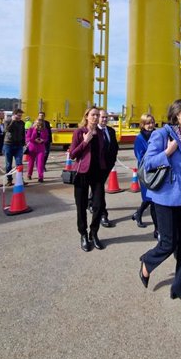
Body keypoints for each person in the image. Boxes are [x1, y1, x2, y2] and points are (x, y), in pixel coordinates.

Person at [139, 99, 181, 309]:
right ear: (176, 113)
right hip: (165, 199)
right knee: (167, 244)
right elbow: (148, 162)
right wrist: (167, 152)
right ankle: (147, 261)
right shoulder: (162, 134)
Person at [69, 106, 108, 252]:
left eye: (98, 115)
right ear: (86, 116)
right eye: (93, 115)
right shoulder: (79, 132)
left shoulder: (100, 133)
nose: (96, 117)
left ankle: (94, 233)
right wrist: (85, 141)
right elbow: (73, 154)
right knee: (81, 206)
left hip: (97, 173)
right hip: (82, 173)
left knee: (98, 205)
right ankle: (83, 234)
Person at [131, 113, 159, 238]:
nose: (150, 125)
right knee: (151, 200)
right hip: (146, 172)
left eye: (152, 122)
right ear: (142, 124)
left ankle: (138, 214)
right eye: (147, 123)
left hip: (159, 171)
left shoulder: (158, 135)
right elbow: (140, 156)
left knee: (152, 199)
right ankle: (157, 229)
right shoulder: (140, 138)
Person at [95, 109, 118, 228]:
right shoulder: (93, 131)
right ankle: (103, 215)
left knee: (97, 191)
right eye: (102, 117)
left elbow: (115, 147)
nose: (104, 119)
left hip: (107, 166)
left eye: (106, 117)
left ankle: (92, 201)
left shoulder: (111, 131)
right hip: (95, 167)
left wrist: (112, 161)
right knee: (99, 191)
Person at [3, 109, 26, 187]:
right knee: (8, 164)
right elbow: (7, 130)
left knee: (19, 163)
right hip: (8, 144)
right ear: (14, 115)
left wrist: (23, 143)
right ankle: (9, 180)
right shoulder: (7, 121)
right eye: (19, 115)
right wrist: (13, 121)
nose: (20, 117)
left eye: (21, 115)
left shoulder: (22, 123)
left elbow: (23, 133)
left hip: (18, 145)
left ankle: (20, 179)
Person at [26, 118, 49, 182]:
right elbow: (28, 138)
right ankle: (29, 174)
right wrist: (35, 133)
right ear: (35, 124)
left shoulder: (44, 130)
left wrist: (43, 140)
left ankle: (40, 177)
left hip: (41, 148)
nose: (39, 126)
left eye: (41, 125)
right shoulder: (31, 129)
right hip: (32, 147)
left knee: (40, 163)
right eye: (38, 124)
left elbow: (46, 138)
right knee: (31, 162)